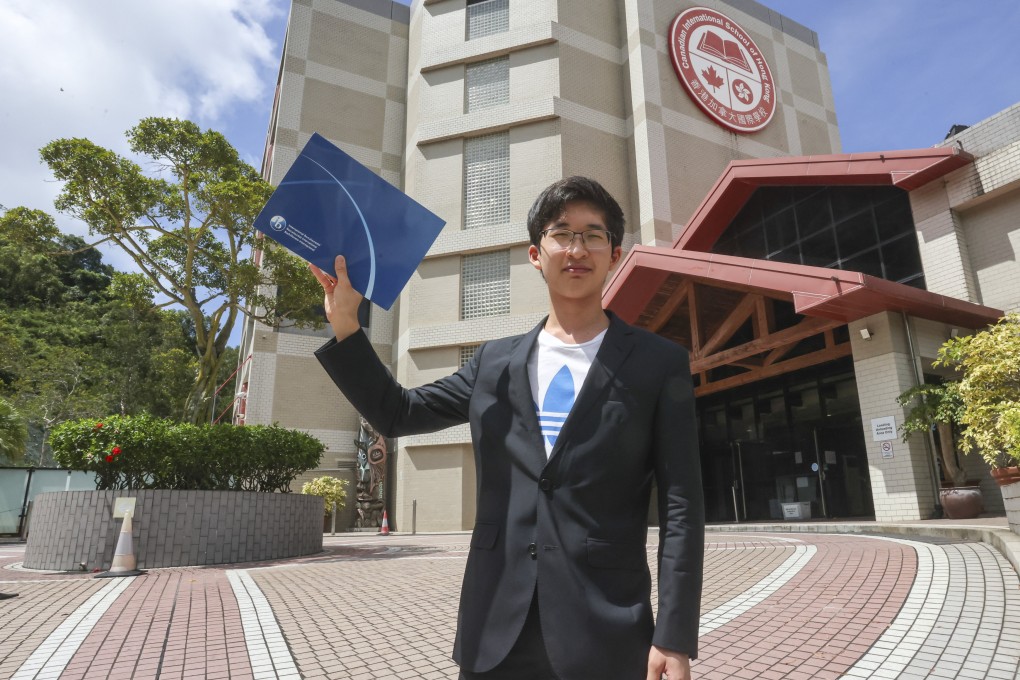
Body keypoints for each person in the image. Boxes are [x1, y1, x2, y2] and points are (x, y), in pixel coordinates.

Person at [311, 177, 704, 680]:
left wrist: (674, 635)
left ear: (615, 255)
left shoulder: (658, 363)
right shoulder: (493, 363)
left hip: (606, 627)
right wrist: (347, 323)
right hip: (494, 627)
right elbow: (397, 412)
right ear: (536, 255)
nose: (576, 249)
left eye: (593, 235)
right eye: (561, 233)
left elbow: (682, 505)